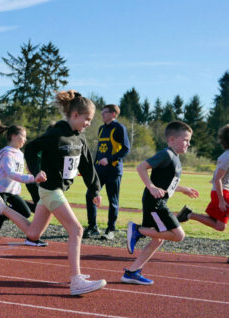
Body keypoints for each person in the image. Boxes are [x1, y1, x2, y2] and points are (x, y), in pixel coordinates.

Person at [0, 90, 107, 296]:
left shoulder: (79, 140)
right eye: (87, 119)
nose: (89, 123)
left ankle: (0, 207)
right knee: (76, 230)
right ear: (75, 115)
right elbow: (30, 149)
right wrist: (37, 171)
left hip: (54, 191)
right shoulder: (56, 134)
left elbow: (87, 166)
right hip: (50, 190)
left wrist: (94, 189)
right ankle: (76, 280)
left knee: (33, 233)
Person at [124, 121, 199, 285]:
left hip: (158, 202)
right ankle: (138, 230)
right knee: (179, 235)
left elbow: (166, 184)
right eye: (185, 140)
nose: (188, 143)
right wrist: (150, 187)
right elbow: (141, 167)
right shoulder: (166, 154)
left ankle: (132, 272)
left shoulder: (176, 158)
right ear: (172, 139)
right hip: (156, 204)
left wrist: (183, 189)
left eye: (189, 140)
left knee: (158, 239)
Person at [0, 115, 45, 253]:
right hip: (1, 191)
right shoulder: (6, 153)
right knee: (0, 219)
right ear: (13, 136)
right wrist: (32, 178)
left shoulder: (19, 153)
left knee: (24, 211)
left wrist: (33, 174)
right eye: (23, 136)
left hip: (13, 192)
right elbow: (10, 173)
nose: (25, 140)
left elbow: (19, 172)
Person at [84, 104, 130, 240]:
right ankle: (93, 227)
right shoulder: (101, 128)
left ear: (113, 114)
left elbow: (126, 149)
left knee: (113, 200)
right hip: (99, 170)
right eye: (102, 112)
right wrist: (91, 168)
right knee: (90, 195)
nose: (102, 114)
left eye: (105, 112)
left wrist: (109, 160)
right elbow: (99, 150)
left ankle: (111, 230)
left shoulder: (119, 128)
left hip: (113, 170)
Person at [176, 124, 229, 234]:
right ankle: (189, 215)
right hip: (222, 192)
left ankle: (189, 214)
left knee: (220, 226)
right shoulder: (227, 156)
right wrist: (221, 200)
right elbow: (217, 179)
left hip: (223, 192)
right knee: (220, 226)